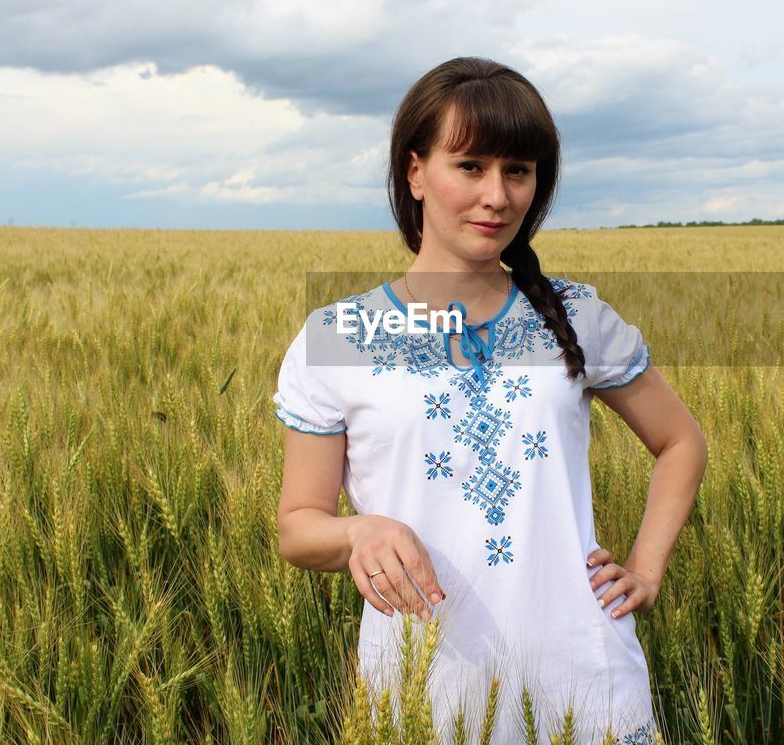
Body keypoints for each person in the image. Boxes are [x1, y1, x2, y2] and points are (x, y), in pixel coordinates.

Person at [274, 56, 708, 743]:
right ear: (415, 172)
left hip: (586, 684)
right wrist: (358, 530)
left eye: (519, 170)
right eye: (470, 165)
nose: (498, 196)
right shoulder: (338, 336)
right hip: (422, 690)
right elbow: (298, 523)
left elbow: (681, 441)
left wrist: (646, 570)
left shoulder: (574, 314)